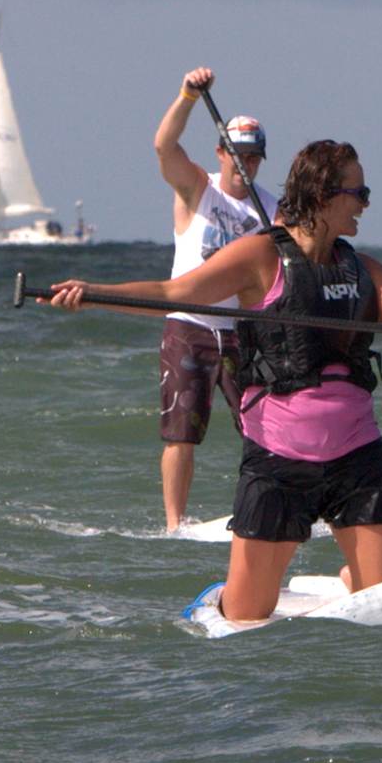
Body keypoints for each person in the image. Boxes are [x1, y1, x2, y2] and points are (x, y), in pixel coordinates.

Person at [45, 139, 382, 623]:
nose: (366, 204)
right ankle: (233, 593)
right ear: (323, 195)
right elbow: (173, 293)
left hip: (356, 459)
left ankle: (354, 579)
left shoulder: (365, 270)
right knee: (248, 614)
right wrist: (92, 294)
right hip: (277, 460)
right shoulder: (259, 257)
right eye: (360, 193)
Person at [152, 67, 278, 531]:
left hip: (244, 331)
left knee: (265, 430)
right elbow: (164, 146)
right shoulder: (196, 189)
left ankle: (268, 513)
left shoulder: (272, 209)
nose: (245, 164)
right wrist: (187, 95)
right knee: (181, 434)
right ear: (221, 153)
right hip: (190, 327)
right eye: (238, 154)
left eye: (254, 157)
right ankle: (175, 524)